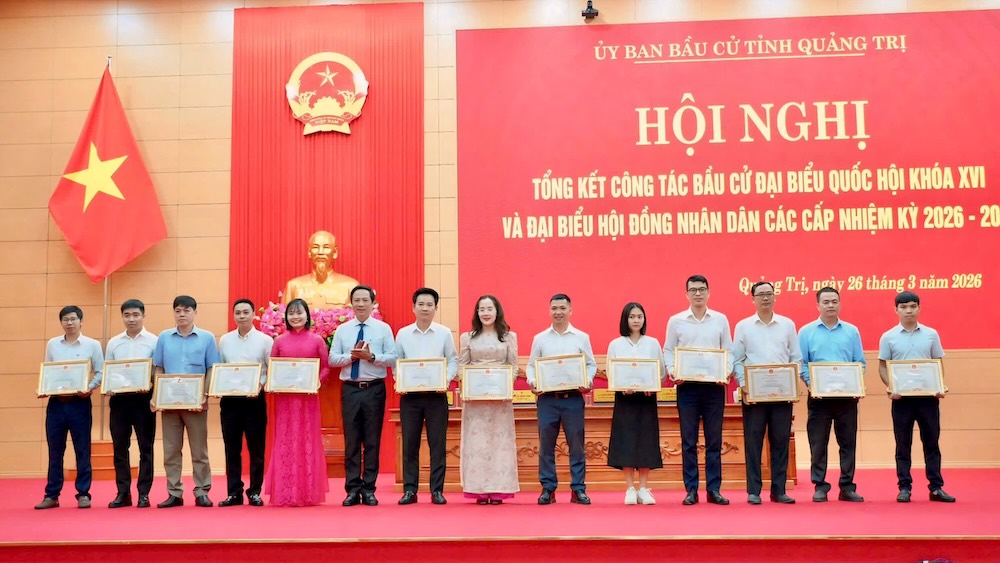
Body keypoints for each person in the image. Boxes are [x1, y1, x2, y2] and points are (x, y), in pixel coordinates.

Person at [878, 292, 955, 503]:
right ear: (896, 310)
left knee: (932, 443)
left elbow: (938, 363)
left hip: (928, 399)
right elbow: (883, 367)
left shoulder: (931, 334)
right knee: (903, 445)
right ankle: (904, 488)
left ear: (919, 308)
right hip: (901, 399)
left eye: (913, 306)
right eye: (903, 307)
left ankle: (936, 487)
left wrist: (939, 386)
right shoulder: (888, 336)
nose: (909, 310)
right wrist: (890, 387)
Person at [664, 275, 734, 506]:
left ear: (709, 292)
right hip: (687, 389)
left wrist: (725, 371)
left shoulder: (720, 319)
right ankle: (691, 489)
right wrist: (674, 371)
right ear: (686, 294)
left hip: (714, 388)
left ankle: (714, 489)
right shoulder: (676, 321)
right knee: (688, 441)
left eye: (702, 289)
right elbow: (668, 351)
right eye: (693, 290)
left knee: (714, 441)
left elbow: (729, 351)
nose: (698, 293)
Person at [733, 282, 802, 505]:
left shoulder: (787, 324)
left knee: (780, 441)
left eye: (769, 294)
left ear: (775, 297)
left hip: (782, 394)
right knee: (753, 442)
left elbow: (796, 358)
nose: (765, 298)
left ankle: (778, 490)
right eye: (761, 294)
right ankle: (754, 491)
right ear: (752, 298)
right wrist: (745, 385)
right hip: (754, 395)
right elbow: (737, 360)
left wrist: (791, 384)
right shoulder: (743, 326)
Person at [526, 293, 597, 505]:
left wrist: (588, 380)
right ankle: (548, 488)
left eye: (562, 308)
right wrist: (533, 381)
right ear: (549, 310)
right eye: (554, 308)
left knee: (576, 445)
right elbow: (531, 365)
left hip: (573, 398)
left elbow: (591, 364)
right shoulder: (540, 338)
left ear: (570, 310)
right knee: (546, 445)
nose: (558, 312)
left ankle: (578, 489)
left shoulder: (581, 337)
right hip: (547, 399)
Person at [329, 285, 396, 507]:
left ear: (372, 303)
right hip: (350, 389)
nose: (360, 304)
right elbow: (332, 359)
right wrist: (352, 357)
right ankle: (352, 489)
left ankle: (369, 489)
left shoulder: (383, 329)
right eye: (356, 300)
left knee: (372, 441)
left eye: (364, 300)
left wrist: (371, 356)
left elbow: (393, 358)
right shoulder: (343, 330)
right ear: (351, 303)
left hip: (374, 389)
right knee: (352, 441)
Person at [798, 287, 866, 503]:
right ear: (817, 305)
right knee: (818, 443)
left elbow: (860, 364)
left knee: (848, 442)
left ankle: (847, 486)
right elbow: (802, 364)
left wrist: (853, 383)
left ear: (840, 303)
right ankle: (820, 485)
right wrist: (812, 385)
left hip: (847, 398)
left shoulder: (851, 331)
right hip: (818, 398)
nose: (830, 305)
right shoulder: (806, 332)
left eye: (834, 301)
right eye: (825, 302)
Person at [153, 295, 219, 508]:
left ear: (194, 312)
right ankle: (174, 493)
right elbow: (159, 368)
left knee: (199, 450)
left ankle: (202, 491)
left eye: (186, 310)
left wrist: (205, 396)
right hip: (170, 404)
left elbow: (211, 368)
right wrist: (157, 397)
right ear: (174, 313)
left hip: (195, 404)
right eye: (178, 310)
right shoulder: (163, 337)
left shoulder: (207, 338)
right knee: (171, 450)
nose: (182, 314)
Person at [35, 306, 104, 510]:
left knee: (82, 449)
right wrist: (43, 387)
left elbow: (100, 371)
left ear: (81, 321)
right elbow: (48, 370)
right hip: (56, 403)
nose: (70, 322)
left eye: (73, 319)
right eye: (65, 319)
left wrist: (89, 388)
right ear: (61, 322)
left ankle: (83, 493)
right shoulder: (53, 344)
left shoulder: (92, 345)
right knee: (55, 450)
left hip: (80, 403)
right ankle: (52, 495)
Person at [394, 288, 459, 505]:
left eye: (429, 304)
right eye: (420, 304)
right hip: (410, 397)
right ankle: (410, 490)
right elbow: (397, 362)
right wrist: (399, 380)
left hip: (436, 396)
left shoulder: (444, 333)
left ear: (436, 308)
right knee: (410, 443)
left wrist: (446, 380)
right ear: (413, 307)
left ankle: (437, 490)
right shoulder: (403, 333)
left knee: (437, 444)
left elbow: (453, 360)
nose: (425, 308)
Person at [266, 298, 331, 507]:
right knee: (285, 439)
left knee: (306, 439)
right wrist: (275, 382)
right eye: (292, 313)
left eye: (299, 312)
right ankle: (285, 491)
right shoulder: (279, 341)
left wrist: (316, 382)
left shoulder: (317, 340)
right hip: (285, 399)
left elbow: (326, 367)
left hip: (308, 399)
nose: (296, 316)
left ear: (307, 315)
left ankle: (307, 492)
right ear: (286, 317)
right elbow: (272, 368)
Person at [459, 295, 520, 505]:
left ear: (497, 311)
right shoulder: (467, 338)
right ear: (477, 313)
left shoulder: (509, 337)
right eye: (481, 309)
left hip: (500, 401)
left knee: (499, 443)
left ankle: (499, 489)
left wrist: (503, 386)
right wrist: (468, 386)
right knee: (477, 444)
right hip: (475, 402)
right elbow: (462, 366)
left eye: (489, 309)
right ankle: (479, 489)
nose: (485, 313)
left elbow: (513, 366)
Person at [606, 302, 664, 505]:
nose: (636, 320)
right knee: (626, 442)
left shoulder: (653, 343)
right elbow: (611, 371)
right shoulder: (616, 344)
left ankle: (644, 488)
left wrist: (653, 384)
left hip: (647, 398)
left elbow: (661, 371)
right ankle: (630, 488)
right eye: (632, 317)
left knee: (646, 442)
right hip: (625, 399)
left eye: (640, 316)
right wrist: (621, 386)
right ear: (625, 319)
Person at [217, 298, 273, 507]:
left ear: (253, 315)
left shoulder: (265, 340)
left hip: (254, 400)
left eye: (245, 312)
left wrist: (260, 385)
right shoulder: (225, 340)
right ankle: (234, 492)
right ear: (233, 316)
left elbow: (270, 369)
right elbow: (221, 367)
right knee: (231, 448)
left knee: (256, 448)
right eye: (238, 313)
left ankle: (255, 491)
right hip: (230, 401)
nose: (241, 316)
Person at [105, 299, 158, 509]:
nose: (131, 319)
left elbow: (157, 370)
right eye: (127, 315)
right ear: (122, 317)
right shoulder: (114, 342)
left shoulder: (154, 341)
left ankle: (144, 494)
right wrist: (108, 385)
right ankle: (123, 493)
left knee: (146, 448)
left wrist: (151, 385)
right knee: (120, 448)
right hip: (119, 401)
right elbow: (109, 369)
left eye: (135, 314)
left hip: (143, 400)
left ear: (143, 316)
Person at [283, 230, 360, 309]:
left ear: (335, 252)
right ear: (309, 252)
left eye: (326, 247)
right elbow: (284, 317)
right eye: (315, 247)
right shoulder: (293, 286)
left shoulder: (351, 286)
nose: (320, 252)